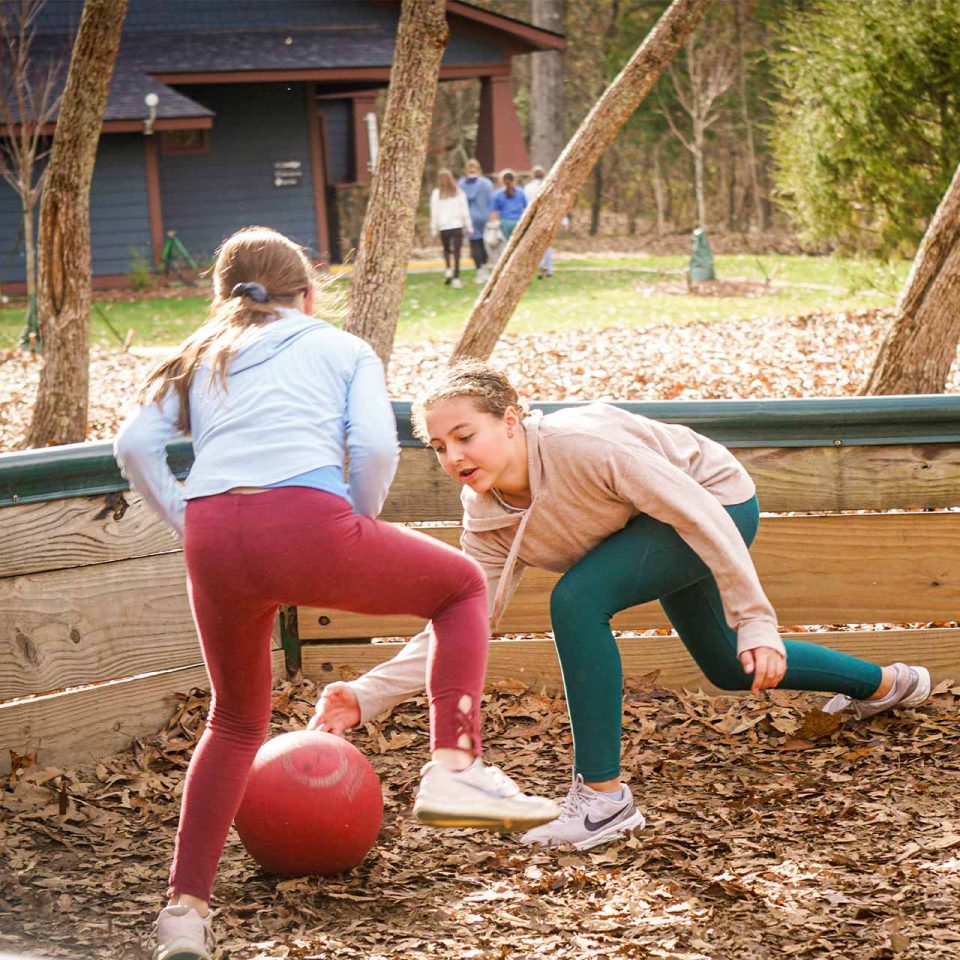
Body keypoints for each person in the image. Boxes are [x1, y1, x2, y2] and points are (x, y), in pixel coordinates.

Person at [114, 232, 558, 960]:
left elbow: (133, 445)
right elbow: (377, 449)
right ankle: (456, 769)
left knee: (232, 722)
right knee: (460, 587)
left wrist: (188, 518)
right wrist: (351, 522)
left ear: (225, 298)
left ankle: (184, 914)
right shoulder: (342, 348)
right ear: (309, 293)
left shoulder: (200, 354)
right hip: (310, 524)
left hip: (215, 541)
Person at [313, 360, 932, 853]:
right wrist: (367, 694)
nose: (453, 457)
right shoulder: (486, 513)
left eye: (465, 435)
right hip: (637, 530)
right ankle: (889, 684)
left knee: (577, 600)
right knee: (724, 666)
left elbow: (694, 512)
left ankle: (603, 799)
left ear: (510, 419)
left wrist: (756, 620)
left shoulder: (582, 446)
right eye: (440, 445)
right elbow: (467, 620)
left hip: (714, 504)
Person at [429, 169, 473, 289]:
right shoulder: (459, 192)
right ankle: (456, 277)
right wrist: (469, 225)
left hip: (444, 226)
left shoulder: (436, 194)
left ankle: (448, 268)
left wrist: (433, 229)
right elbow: (464, 210)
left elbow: (434, 213)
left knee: (447, 249)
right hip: (457, 225)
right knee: (457, 252)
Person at [458, 159, 494, 284]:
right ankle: (485, 268)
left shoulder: (461, 184)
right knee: (484, 243)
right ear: (479, 168)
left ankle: (479, 270)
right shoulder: (486, 183)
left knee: (474, 244)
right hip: (483, 216)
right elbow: (491, 201)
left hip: (469, 217)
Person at [523, 165, 553, 279]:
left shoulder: (528, 188)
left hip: (534, 218)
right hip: (548, 217)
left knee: (535, 244)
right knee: (547, 244)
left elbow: (525, 204)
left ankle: (540, 265)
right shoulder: (550, 187)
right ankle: (549, 268)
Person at [490, 168, 527, 244]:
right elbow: (525, 208)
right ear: (514, 179)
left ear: (501, 180)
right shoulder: (520, 192)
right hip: (519, 222)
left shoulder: (498, 194)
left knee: (507, 246)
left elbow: (494, 213)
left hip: (505, 224)